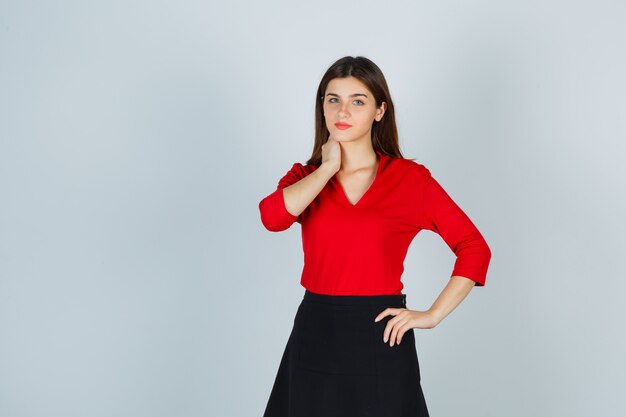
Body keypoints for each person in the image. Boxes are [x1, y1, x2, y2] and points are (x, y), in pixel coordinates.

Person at [258, 56, 492, 417]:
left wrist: (431, 315)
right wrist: (328, 168)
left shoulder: (410, 180)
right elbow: (272, 218)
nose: (342, 111)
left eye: (358, 100)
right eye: (332, 99)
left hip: (381, 333)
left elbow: (474, 249)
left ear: (380, 110)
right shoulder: (305, 176)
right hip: (316, 331)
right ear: (321, 107)